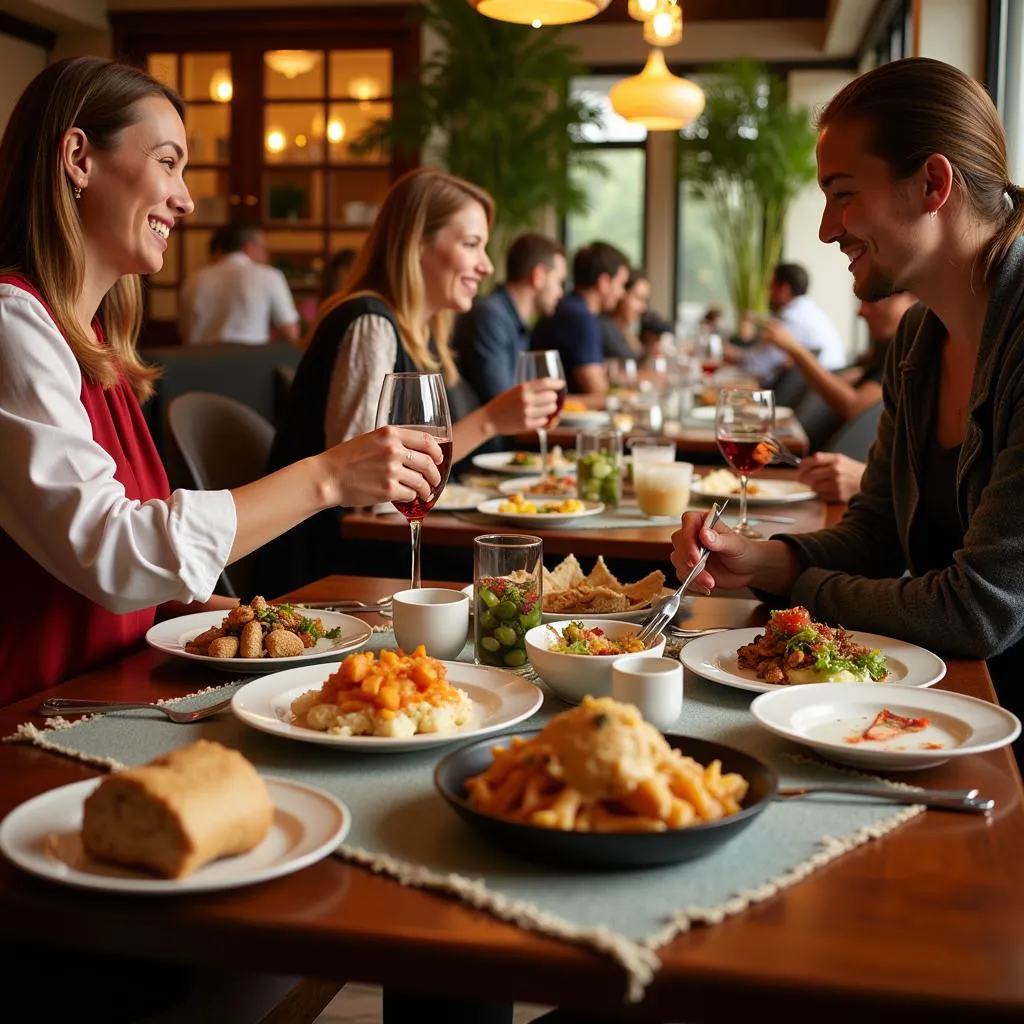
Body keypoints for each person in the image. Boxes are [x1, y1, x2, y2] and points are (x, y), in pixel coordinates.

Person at [0, 56, 443, 707]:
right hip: (40, 719)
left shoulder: (96, 344)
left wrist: (246, 618)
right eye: (167, 162)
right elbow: (114, 552)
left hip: (118, 693)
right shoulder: (12, 324)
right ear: (78, 157)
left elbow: (118, 569)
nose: (185, 199)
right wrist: (326, 477)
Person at [671, 56, 1024, 744]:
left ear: (931, 183)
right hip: (944, 707)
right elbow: (877, 533)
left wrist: (800, 591)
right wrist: (767, 558)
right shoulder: (920, 337)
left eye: (843, 194)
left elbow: (980, 610)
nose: (827, 230)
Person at [264, 168, 560, 597]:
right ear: (418, 243)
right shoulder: (369, 324)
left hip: (377, 555)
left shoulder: (416, 333)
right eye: (471, 244)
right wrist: (491, 422)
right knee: (517, 572)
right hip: (332, 577)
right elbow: (367, 492)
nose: (487, 265)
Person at [765, 291, 919, 502]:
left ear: (909, 297)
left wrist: (796, 351)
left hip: (829, 482)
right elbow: (841, 384)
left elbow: (854, 406)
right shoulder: (882, 352)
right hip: (813, 471)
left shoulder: (907, 354)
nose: (861, 311)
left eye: (872, 300)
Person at [453, 231, 566, 404]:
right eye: (559, 282)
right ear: (539, 276)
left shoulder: (509, 318)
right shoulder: (490, 316)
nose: (561, 293)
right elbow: (506, 403)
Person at [531, 240, 630, 394]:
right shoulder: (579, 317)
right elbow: (599, 391)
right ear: (603, 282)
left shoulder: (570, 308)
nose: (622, 293)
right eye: (621, 284)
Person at [179, 221, 301, 344]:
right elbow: (291, 332)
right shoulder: (270, 276)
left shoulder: (193, 279)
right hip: (251, 360)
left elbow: (184, 330)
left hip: (198, 359)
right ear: (248, 247)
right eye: (263, 248)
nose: (267, 255)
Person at [734, 262, 847, 386]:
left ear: (784, 289)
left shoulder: (793, 318)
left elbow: (757, 364)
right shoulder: (808, 312)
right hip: (814, 391)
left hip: (806, 396)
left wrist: (722, 351)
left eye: (770, 287)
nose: (767, 293)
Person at [599, 267, 648, 359]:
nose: (643, 308)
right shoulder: (605, 327)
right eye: (638, 298)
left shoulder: (626, 331)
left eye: (645, 300)